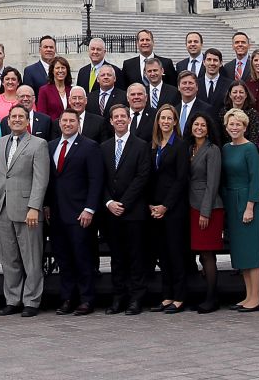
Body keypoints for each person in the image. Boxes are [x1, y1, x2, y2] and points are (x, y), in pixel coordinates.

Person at [45, 108, 104, 316]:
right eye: (64, 121)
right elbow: (50, 180)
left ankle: (87, 299)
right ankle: (67, 298)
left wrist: (90, 209)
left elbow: (95, 181)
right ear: (59, 123)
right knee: (63, 258)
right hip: (57, 213)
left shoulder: (89, 147)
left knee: (82, 257)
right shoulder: (51, 146)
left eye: (72, 121)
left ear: (78, 123)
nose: (67, 124)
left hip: (80, 213)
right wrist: (46, 205)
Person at [0, 105, 50, 317]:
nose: (16, 120)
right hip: (2, 209)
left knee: (32, 258)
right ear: (7, 121)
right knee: (8, 259)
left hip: (27, 211)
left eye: (21, 117)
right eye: (13, 117)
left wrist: (34, 207)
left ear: (28, 121)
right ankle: (12, 299)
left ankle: (32, 300)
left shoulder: (38, 144)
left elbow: (40, 179)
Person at [102, 104, 151, 315]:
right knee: (117, 257)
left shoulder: (141, 145)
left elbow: (143, 177)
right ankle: (118, 297)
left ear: (129, 120)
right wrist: (109, 203)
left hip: (133, 212)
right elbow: (100, 179)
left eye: (124, 116)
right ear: (111, 121)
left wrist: (124, 203)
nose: (120, 119)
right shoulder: (103, 147)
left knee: (136, 257)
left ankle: (136, 298)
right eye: (116, 117)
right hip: (110, 212)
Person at [145, 105, 189, 313]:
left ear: (174, 122)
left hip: (173, 208)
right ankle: (166, 295)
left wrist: (165, 206)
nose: (165, 121)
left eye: (169, 118)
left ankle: (179, 297)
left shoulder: (180, 145)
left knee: (175, 253)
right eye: (162, 118)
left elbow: (181, 180)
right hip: (155, 208)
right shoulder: (152, 145)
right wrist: (152, 204)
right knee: (162, 254)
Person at [222, 108, 259, 311]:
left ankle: (256, 297)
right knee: (240, 252)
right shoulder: (225, 148)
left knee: (252, 251)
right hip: (231, 201)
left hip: (246, 202)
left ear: (245, 127)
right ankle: (248, 295)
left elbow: (255, 179)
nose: (235, 127)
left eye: (239, 124)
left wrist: (250, 207)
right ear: (226, 126)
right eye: (231, 124)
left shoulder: (250, 149)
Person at [186, 113, 223, 313]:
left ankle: (212, 297)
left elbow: (213, 183)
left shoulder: (213, 150)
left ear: (208, 129)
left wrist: (205, 212)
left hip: (207, 208)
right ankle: (202, 295)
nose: (199, 127)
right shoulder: (190, 148)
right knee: (199, 254)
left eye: (203, 125)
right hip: (191, 206)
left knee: (208, 255)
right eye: (196, 124)